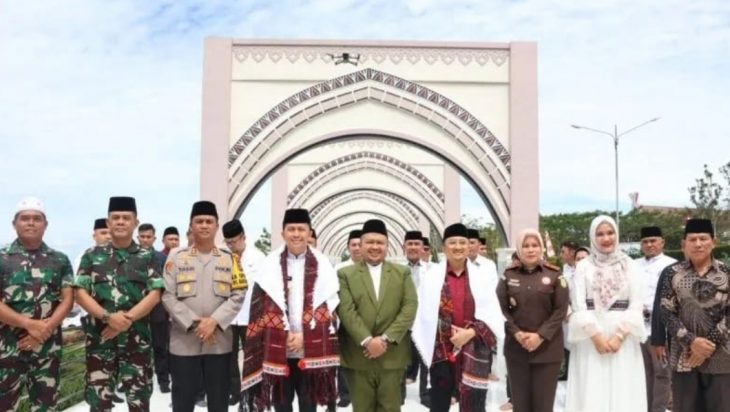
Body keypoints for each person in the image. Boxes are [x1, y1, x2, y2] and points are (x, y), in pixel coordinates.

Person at [240, 208, 339, 412]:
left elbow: (331, 310)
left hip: (309, 351)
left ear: (309, 233)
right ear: (282, 233)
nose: (296, 234)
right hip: (278, 350)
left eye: (301, 229)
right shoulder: (268, 265)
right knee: (282, 406)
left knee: (308, 406)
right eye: (291, 229)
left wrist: (305, 336)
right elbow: (258, 309)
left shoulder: (323, 265)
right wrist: (283, 335)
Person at [74, 196, 165, 411]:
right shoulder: (91, 256)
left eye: (126, 218)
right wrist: (108, 317)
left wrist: (125, 320)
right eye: (115, 218)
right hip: (100, 343)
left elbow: (155, 294)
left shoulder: (148, 256)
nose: (121, 222)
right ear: (108, 223)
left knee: (139, 403)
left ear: (135, 222)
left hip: (137, 344)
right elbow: (80, 293)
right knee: (99, 403)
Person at [412, 223, 504, 412]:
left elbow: (492, 313)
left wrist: (470, 333)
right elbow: (422, 314)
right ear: (444, 247)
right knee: (439, 402)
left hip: (474, 348)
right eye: (452, 242)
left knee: (474, 404)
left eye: (462, 242)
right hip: (441, 351)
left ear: (469, 246)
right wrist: (446, 333)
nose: (458, 246)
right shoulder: (431, 276)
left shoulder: (481, 276)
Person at [565, 215, 647, 412]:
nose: (606, 238)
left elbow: (636, 304)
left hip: (623, 336)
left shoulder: (630, 264)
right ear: (593, 237)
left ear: (616, 234)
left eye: (610, 233)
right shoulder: (583, 266)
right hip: (590, 336)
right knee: (592, 387)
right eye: (600, 234)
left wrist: (619, 336)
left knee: (624, 388)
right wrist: (596, 337)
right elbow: (578, 305)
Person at [0, 197, 75, 411]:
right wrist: (29, 324)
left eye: (36, 218)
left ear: (45, 224)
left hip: (47, 350)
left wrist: (43, 330)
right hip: (7, 350)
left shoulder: (59, 260)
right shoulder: (2, 258)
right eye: (25, 218)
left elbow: (68, 299)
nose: (31, 223)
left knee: (46, 406)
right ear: (14, 223)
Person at [338, 219, 418, 412]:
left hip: (392, 355)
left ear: (387, 246)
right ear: (361, 245)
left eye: (380, 242)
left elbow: (410, 306)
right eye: (370, 242)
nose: (375, 247)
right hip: (358, 355)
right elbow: (346, 310)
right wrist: (367, 340)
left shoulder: (402, 273)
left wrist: (385, 339)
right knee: (362, 408)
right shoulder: (345, 274)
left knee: (390, 407)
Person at [658, 219, 730, 412]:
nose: (698, 244)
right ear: (684, 244)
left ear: (713, 242)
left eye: (703, 238)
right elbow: (666, 311)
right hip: (684, 357)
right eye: (692, 239)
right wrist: (691, 342)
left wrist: (706, 346)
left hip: (722, 357)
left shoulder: (727, 272)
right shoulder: (672, 273)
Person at [497, 229, 569, 412]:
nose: (530, 250)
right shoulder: (508, 276)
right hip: (517, 349)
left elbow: (560, 311)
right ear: (519, 249)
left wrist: (540, 336)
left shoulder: (555, 275)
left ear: (541, 248)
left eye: (535, 245)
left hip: (547, 350)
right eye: (525, 246)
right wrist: (516, 333)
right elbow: (499, 309)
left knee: (543, 405)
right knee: (520, 405)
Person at [223, 218, 265, 406]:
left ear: (244, 237)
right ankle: (235, 391)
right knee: (229, 356)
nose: (231, 245)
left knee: (252, 357)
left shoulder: (259, 258)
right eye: (228, 242)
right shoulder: (223, 257)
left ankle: (253, 392)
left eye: (234, 241)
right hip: (229, 317)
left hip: (251, 316)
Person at [634, 226, 676, 412]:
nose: (649, 245)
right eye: (645, 242)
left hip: (661, 330)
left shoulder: (672, 265)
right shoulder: (633, 265)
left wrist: (650, 309)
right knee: (641, 372)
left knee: (662, 373)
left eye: (653, 241)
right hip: (637, 330)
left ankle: (658, 409)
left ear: (662, 242)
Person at [138, 223, 172, 393]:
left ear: (154, 238)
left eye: (148, 237)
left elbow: (169, 284)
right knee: (137, 347)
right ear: (138, 238)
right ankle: (139, 380)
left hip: (158, 308)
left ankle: (163, 381)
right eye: (142, 237)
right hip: (137, 309)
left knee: (160, 346)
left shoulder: (162, 258)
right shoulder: (131, 257)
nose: (145, 240)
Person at [402, 230, 430, 406]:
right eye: (410, 244)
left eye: (416, 244)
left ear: (422, 248)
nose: (413, 247)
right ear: (403, 247)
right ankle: (399, 395)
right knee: (400, 360)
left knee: (426, 359)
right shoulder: (396, 269)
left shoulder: (433, 270)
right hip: (402, 322)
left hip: (425, 322)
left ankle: (426, 394)